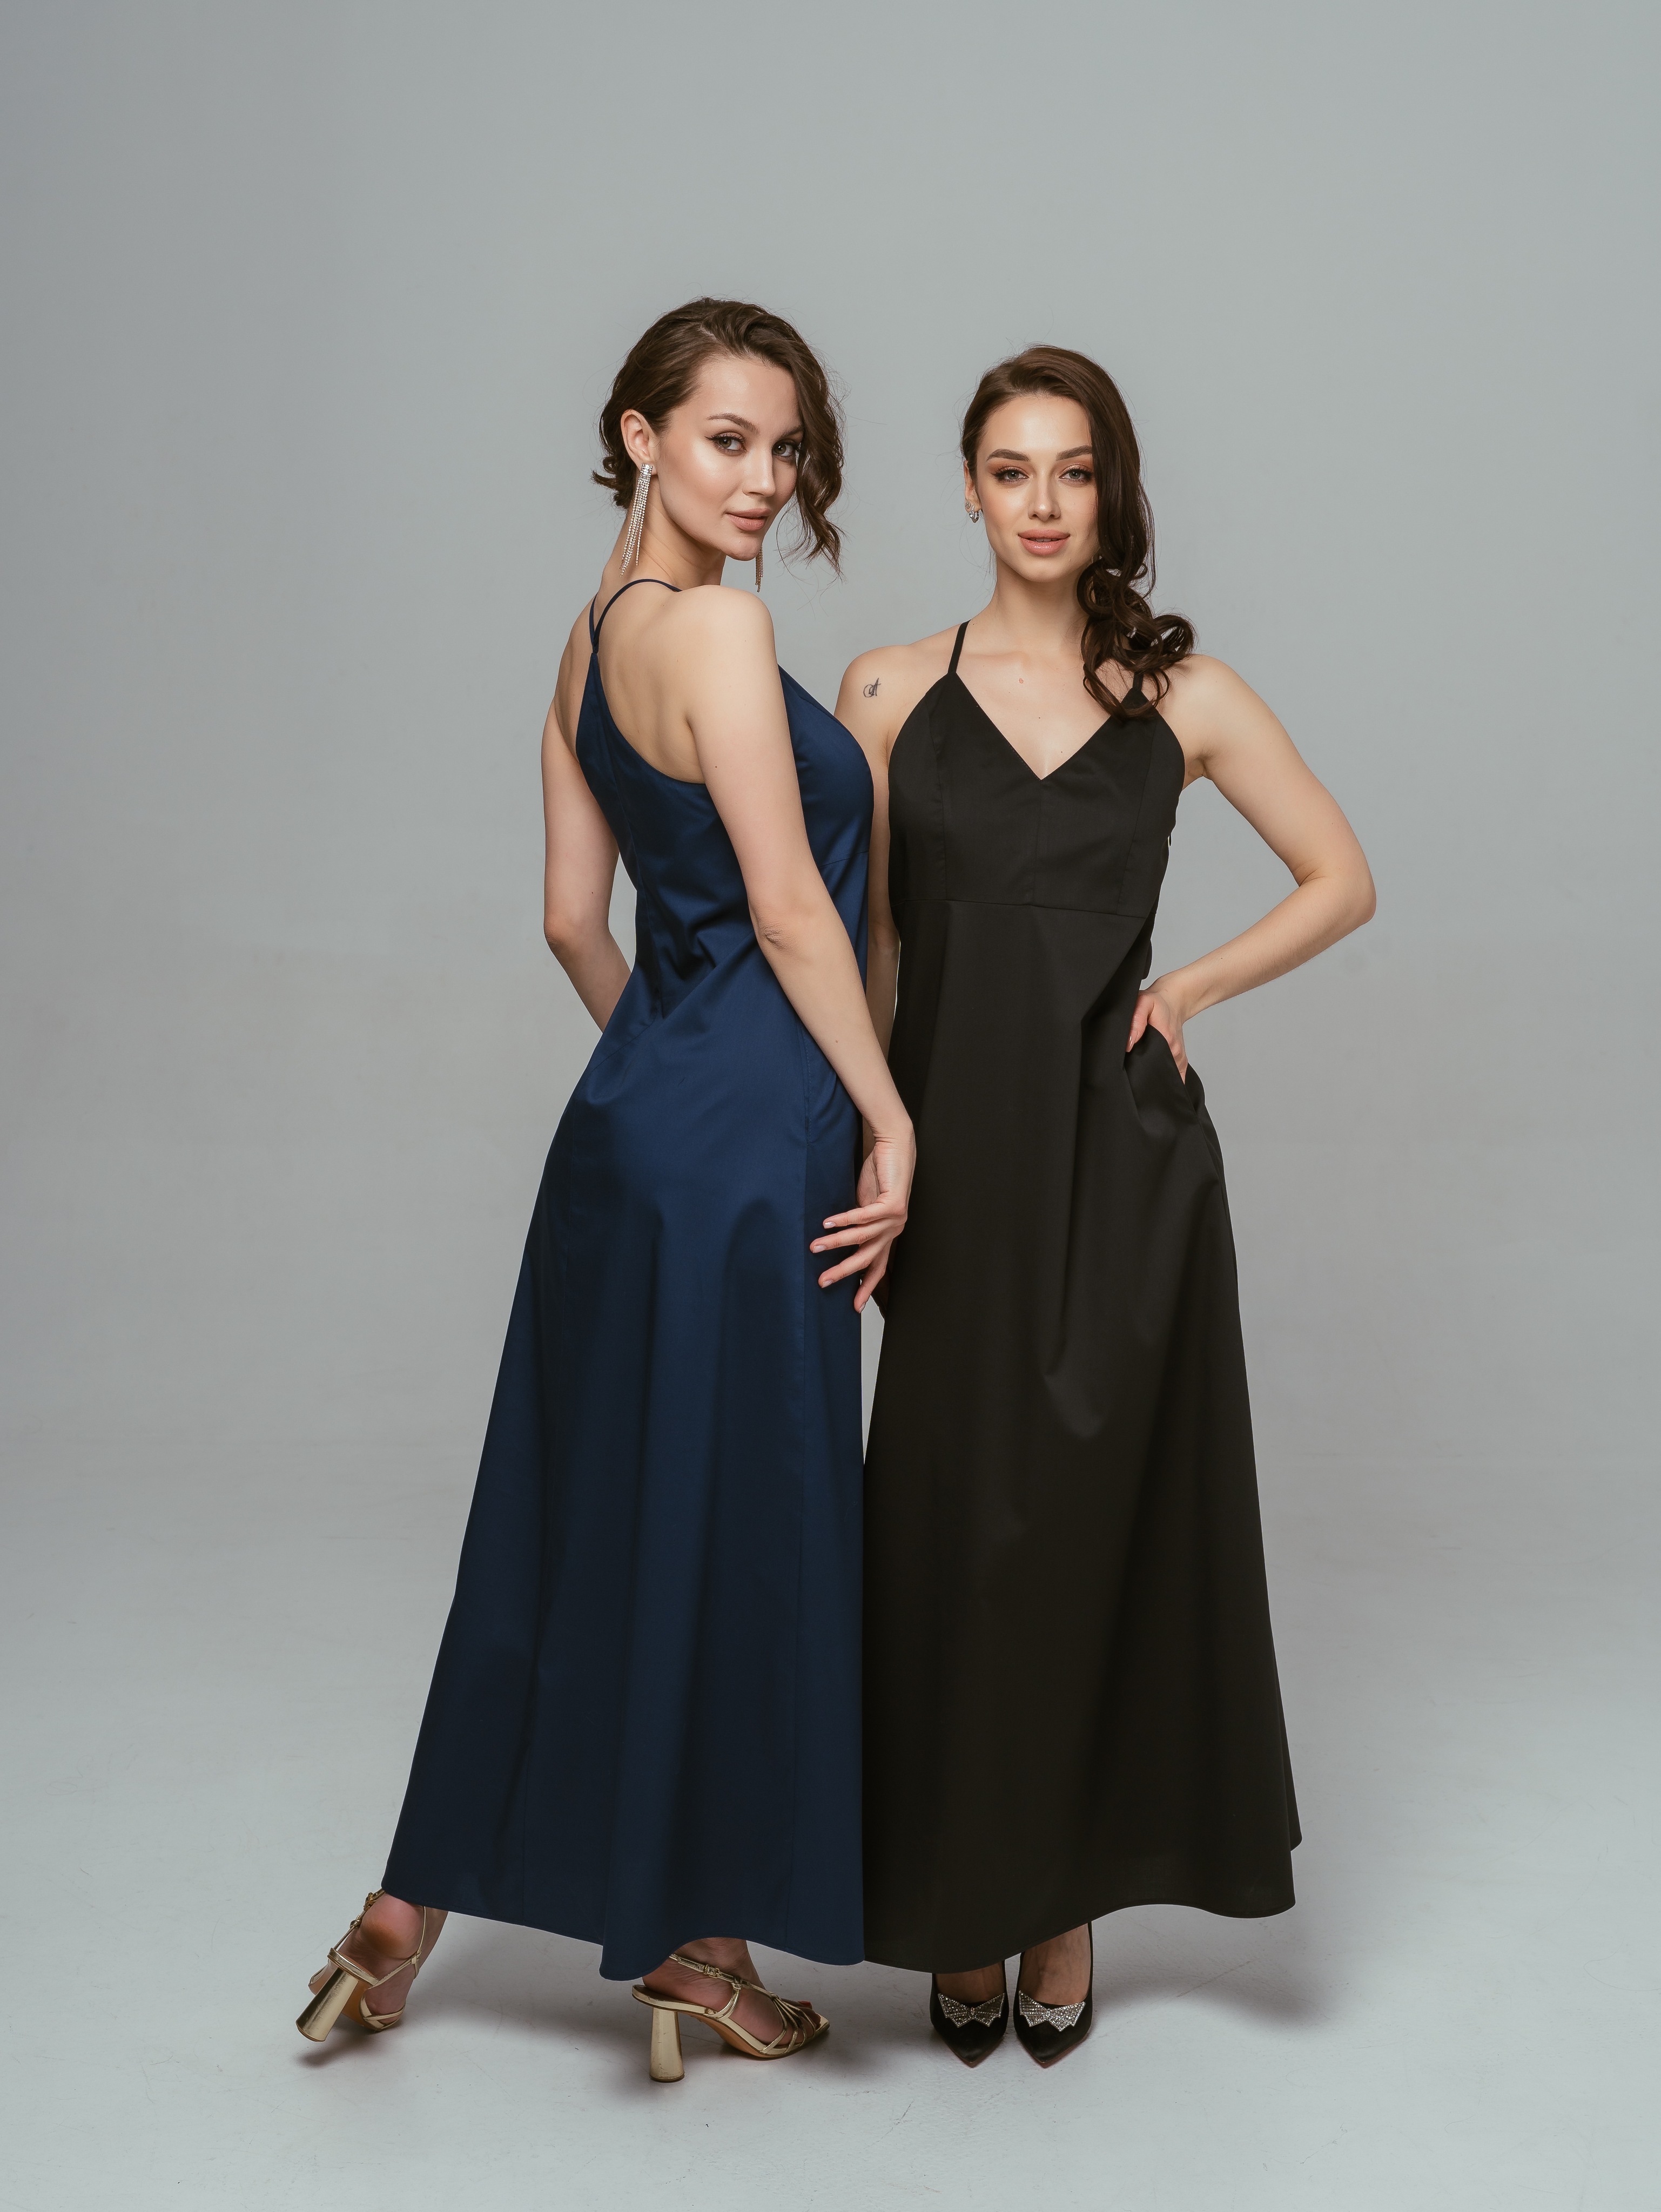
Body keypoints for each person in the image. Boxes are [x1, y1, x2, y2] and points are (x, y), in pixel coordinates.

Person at [295, 299, 914, 2082]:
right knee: (742, 1524)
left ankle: (394, 1924)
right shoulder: (722, 629)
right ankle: (690, 1948)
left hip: (629, 1128)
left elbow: (575, 923)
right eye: (727, 439)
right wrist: (884, 1117)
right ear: (638, 437)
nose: (764, 479)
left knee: (565, 1517)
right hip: (761, 1143)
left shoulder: (579, 651)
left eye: (786, 449)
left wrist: (670, 1067)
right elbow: (791, 910)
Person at [835, 345, 1374, 2067]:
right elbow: (872, 949)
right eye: (1010, 470)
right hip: (947, 1157)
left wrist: (1188, 988)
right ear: (968, 489)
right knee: (948, 1536)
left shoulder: (1181, 697)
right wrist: (869, 1137)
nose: (1043, 502)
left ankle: (1058, 1902)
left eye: (1073, 471)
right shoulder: (885, 688)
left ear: (1109, 489)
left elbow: (1341, 878)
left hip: (1117, 1163)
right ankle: (961, 1892)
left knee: (1079, 1537)